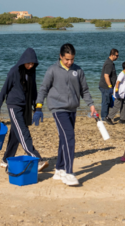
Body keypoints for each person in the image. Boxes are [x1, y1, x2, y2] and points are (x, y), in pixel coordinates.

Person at [37, 43, 97, 186]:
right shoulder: (52, 70)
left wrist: (91, 105)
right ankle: (69, 172)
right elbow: (43, 89)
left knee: (64, 138)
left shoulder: (78, 70)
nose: (70, 62)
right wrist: (38, 107)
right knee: (69, 137)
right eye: (67, 60)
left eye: (72, 59)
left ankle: (59, 169)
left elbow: (85, 90)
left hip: (72, 109)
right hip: (58, 109)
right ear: (61, 57)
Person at [0, 48, 48, 171]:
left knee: (16, 134)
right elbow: (4, 90)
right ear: (23, 61)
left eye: (32, 63)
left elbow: (33, 91)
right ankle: (36, 159)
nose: (30, 66)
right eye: (28, 63)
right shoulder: (14, 71)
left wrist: (37, 108)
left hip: (25, 106)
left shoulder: (32, 72)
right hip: (14, 105)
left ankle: (5, 160)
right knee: (23, 132)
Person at [99, 49, 119, 124]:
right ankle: (104, 118)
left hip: (108, 86)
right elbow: (106, 75)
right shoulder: (109, 64)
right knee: (106, 102)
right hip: (106, 86)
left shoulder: (111, 63)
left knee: (107, 101)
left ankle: (106, 116)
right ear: (112, 55)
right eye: (116, 55)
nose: (118, 57)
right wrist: (110, 86)